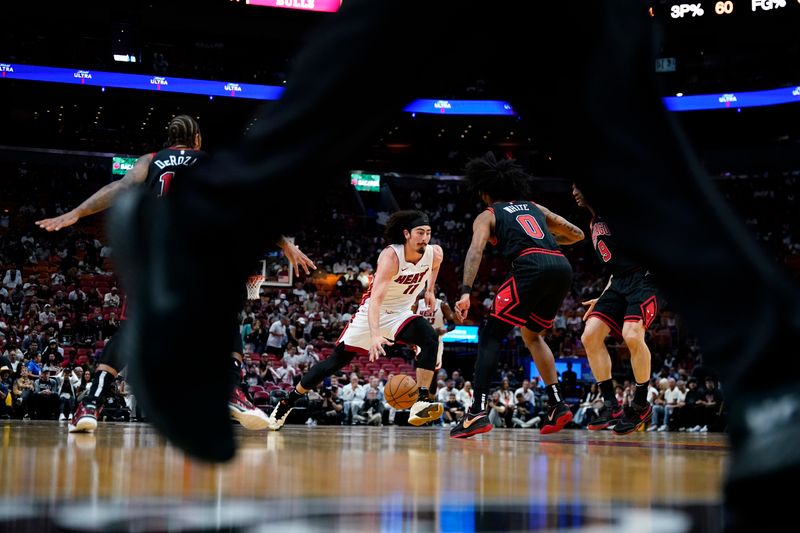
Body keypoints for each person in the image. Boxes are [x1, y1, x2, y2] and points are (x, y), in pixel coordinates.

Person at [107, 3, 799, 526]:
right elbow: (434, 271)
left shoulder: (471, 227)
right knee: (603, 98)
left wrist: (458, 297)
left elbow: (470, 259)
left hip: (506, 283)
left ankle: (198, 236)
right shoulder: (455, 230)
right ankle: (764, 370)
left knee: (584, 88)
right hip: (504, 279)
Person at [35, 115, 312, 435]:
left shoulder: (149, 161)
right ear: (196, 141)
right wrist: (284, 243)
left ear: (169, 141)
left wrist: (78, 212)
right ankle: (233, 390)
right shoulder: (208, 161)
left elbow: (121, 187)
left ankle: (91, 403)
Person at [264, 210, 445, 431]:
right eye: (420, 233)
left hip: (401, 312)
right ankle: (288, 402)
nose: (425, 238)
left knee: (430, 338)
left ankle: (422, 401)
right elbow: (376, 300)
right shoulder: (391, 257)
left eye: (428, 233)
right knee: (334, 363)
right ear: (406, 234)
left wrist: (430, 290)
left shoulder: (435, 253)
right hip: (373, 312)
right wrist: (376, 333)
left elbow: (433, 267)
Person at [450, 153, 584, 438]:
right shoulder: (534, 206)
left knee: (489, 335)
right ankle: (558, 404)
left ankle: (476, 412)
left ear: (485, 192)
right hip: (561, 266)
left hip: (531, 266)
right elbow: (577, 235)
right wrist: (544, 239)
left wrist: (465, 291)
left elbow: (475, 251)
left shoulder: (488, 214)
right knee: (532, 335)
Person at [572, 184, 665, 435]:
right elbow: (616, 270)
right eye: (573, 187)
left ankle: (640, 404)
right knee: (589, 335)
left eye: (580, 186)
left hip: (647, 278)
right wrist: (602, 298)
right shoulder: (594, 222)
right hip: (619, 281)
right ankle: (611, 405)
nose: (575, 192)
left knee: (632, 334)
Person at [411, 292, 457, 372]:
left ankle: (431, 383)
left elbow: (452, 325)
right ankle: (421, 384)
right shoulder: (417, 304)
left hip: (436, 340)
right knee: (422, 367)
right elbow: (409, 321)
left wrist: (444, 330)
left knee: (435, 368)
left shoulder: (442, 305)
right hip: (421, 340)